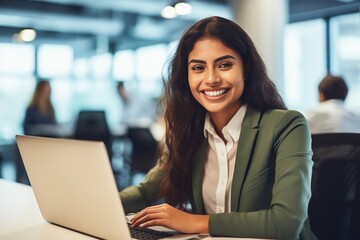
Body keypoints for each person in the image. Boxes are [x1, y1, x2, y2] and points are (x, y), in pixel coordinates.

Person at [120, 16, 316, 239]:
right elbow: (146, 191)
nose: (211, 79)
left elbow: (285, 223)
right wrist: (97, 204)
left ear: (246, 68)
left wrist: (191, 221)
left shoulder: (287, 126)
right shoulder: (189, 131)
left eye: (224, 65)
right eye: (198, 68)